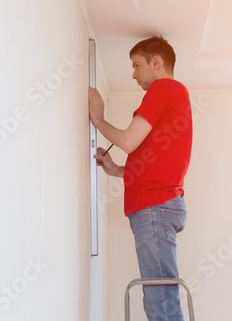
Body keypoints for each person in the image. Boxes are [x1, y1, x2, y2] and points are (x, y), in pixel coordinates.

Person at [88, 36, 192, 321]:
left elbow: (128, 140)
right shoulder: (173, 94)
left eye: (137, 65)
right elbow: (152, 162)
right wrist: (116, 170)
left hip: (155, 206)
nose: (133, 74)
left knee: (159, 298)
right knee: (158, 295)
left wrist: (98, 120)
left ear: (156, 63)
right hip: (158, 204)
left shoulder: (163, 88)